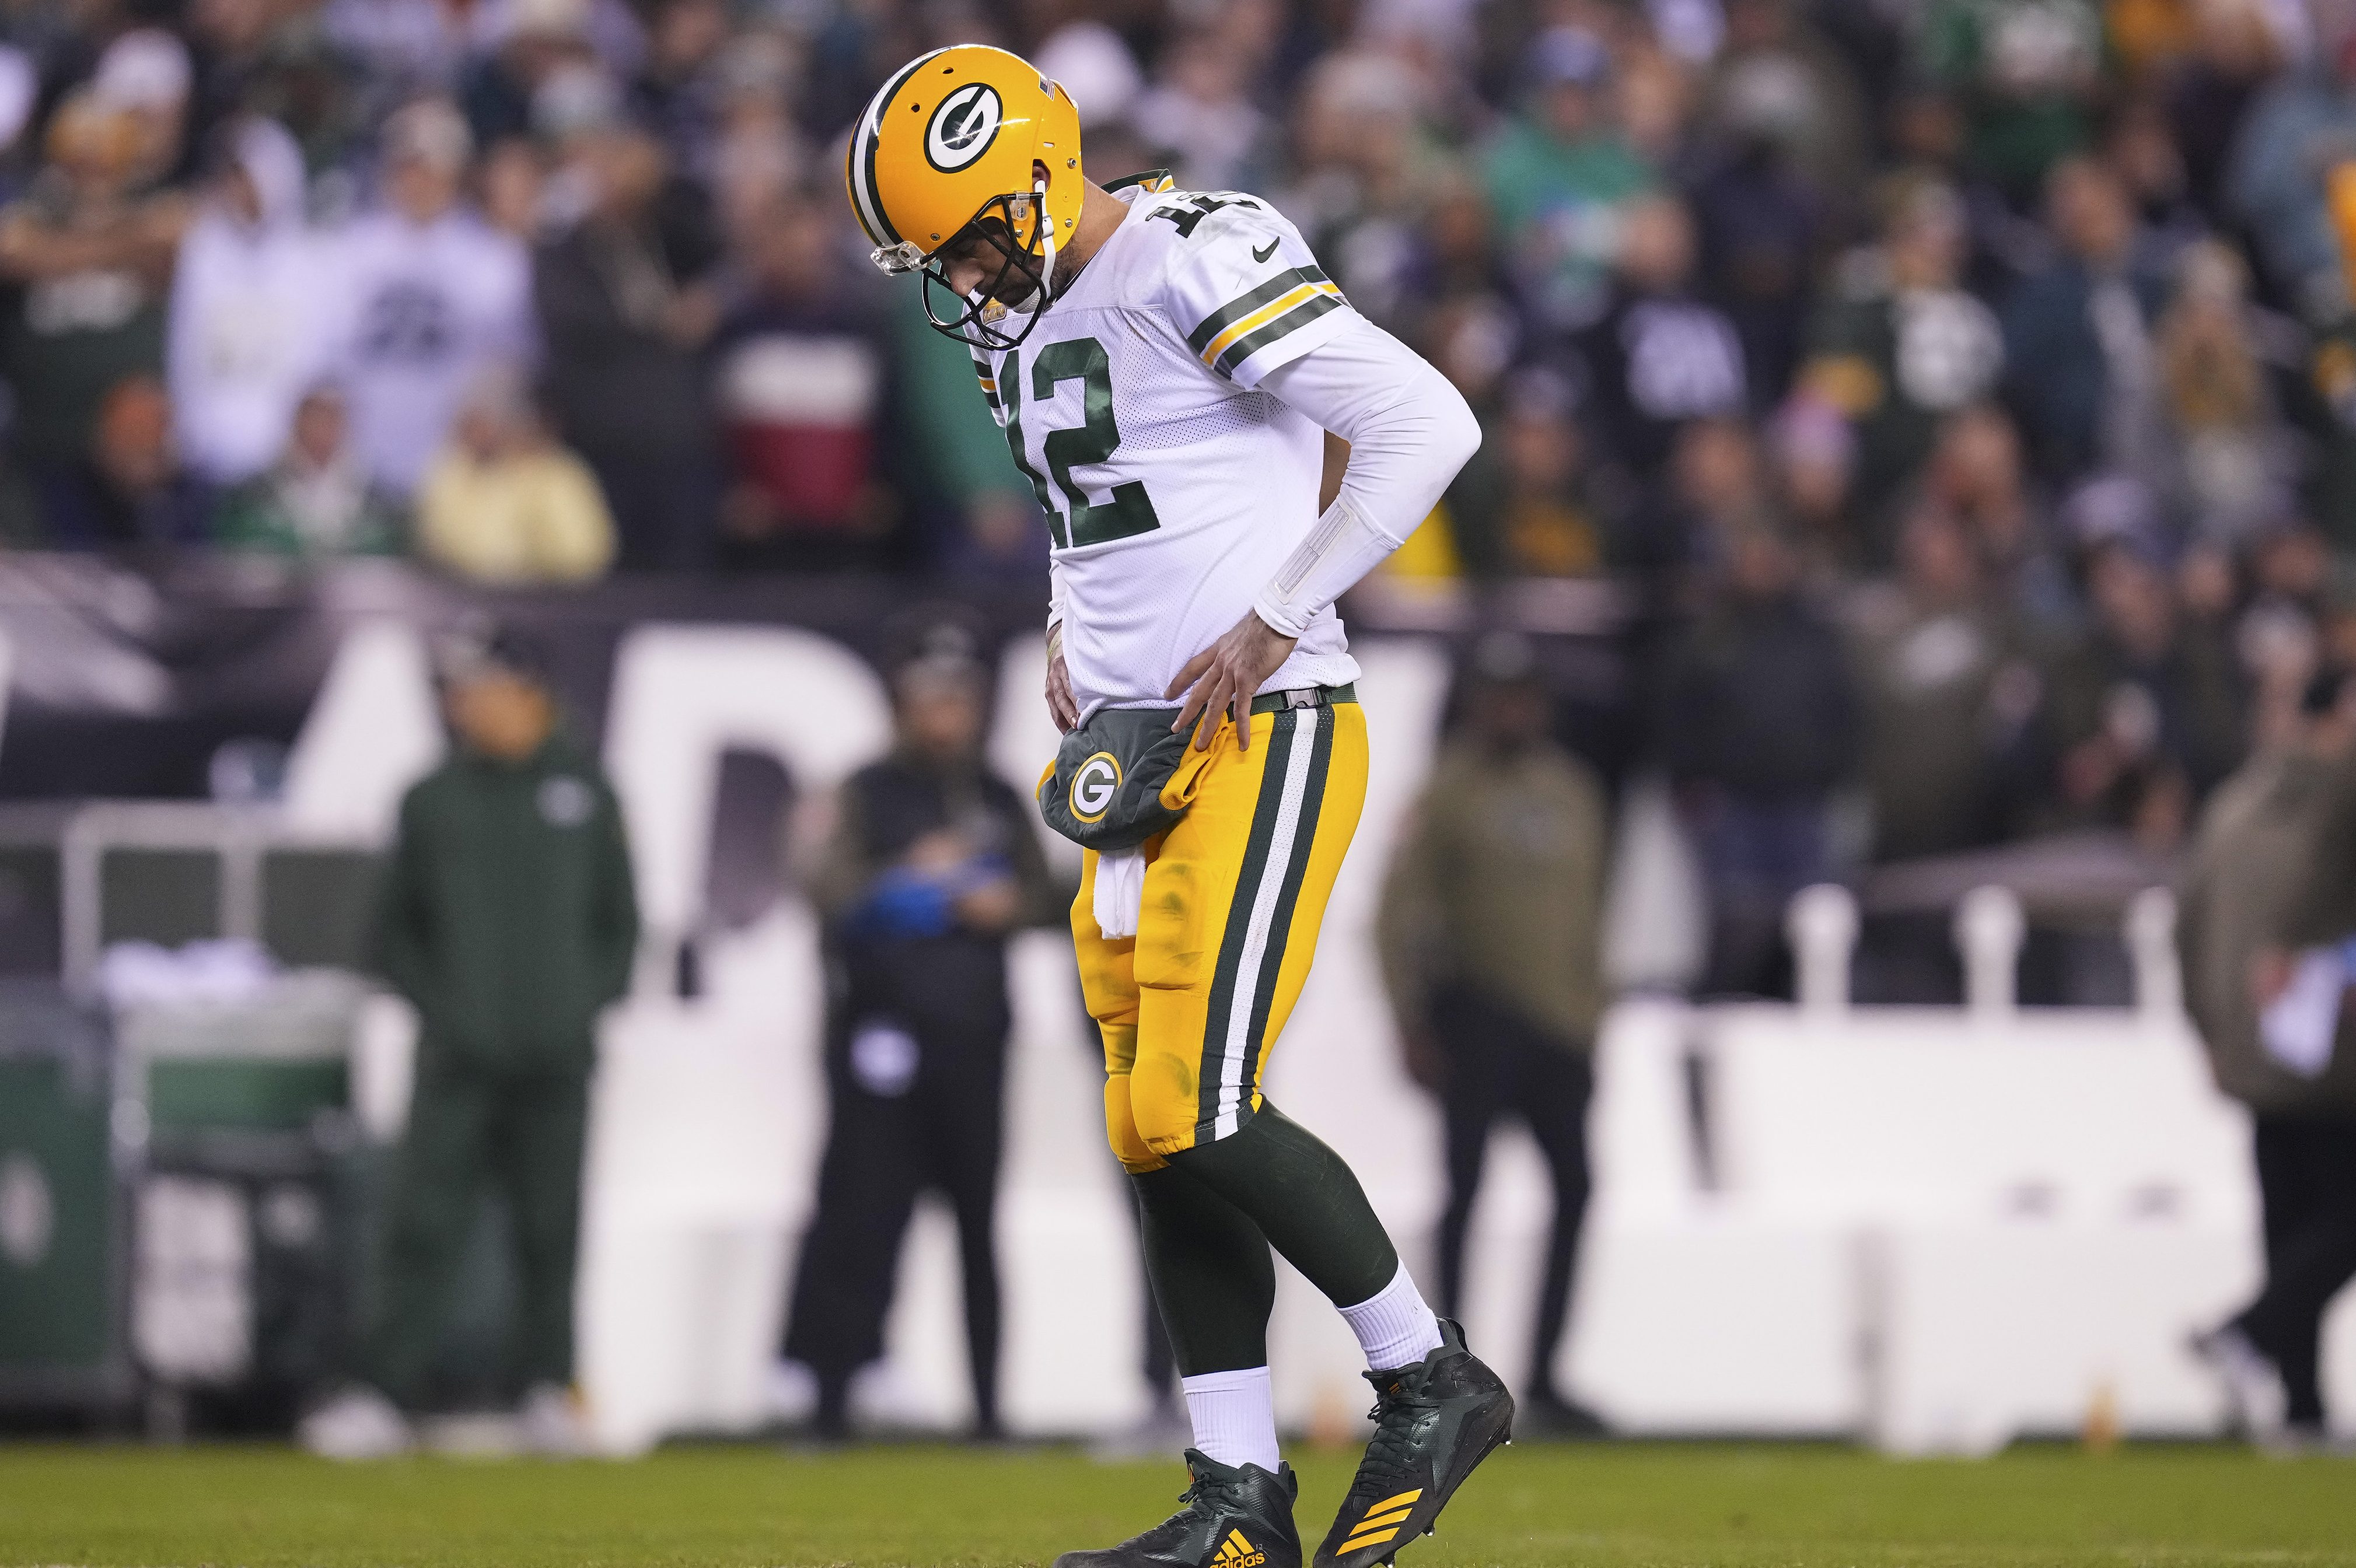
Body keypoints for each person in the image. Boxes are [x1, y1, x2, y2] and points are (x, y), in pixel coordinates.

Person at [845, 44, 1494, 1568]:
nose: (959, 276)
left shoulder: (1191, 249)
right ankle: (1234, 1494)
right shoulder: (1014, 329)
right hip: (1132, 755)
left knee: (1193, 1100)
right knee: (1146, 1129)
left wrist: (1275, 612)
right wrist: (1073, 641)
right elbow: (1100, 518)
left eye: (965, 238)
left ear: (1033, 171)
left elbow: (1426, 425)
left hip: (1269, 725)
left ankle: (1424, 1373)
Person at [298, 624, 639, 1460]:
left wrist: (573, 1009)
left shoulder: (587, 791)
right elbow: (394, 935)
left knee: (551, 1231)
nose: (463, 705)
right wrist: (451, 1012)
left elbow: (619, 925)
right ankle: (383, 1391)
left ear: (528, 691)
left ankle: (547, 1388)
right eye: (457, 690)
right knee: (422, 1228)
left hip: (557, 1060)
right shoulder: (432, 796)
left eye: (478, 687)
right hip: (455, 1060)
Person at [778, 631, 1057, 1438]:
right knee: (861, 1219)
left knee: (979, 1225)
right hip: (882, 1036)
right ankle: (830, 1405)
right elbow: (822, 888)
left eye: (960, 695)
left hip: (975, 1037)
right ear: (904, 701)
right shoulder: (863, 790)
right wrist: (909, 884)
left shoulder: (999, 793)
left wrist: (1002, 905)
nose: (949, 713)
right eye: (934, 695)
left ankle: (989, 1413)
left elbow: (1044, 897)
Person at [1375, 634, 1611, 1437]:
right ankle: (1451, 1373)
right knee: (1463, 1197)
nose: (1511, 710)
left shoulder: (1574, 791)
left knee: (1576, 1190)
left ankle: (1546, 1373)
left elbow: (1589, 919)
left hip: (1557, 1029)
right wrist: (1408, 1019)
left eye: (1523, 696)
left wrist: (1591, 1019)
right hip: (1476, 1016)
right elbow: (1396, 914)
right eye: (1497, 695)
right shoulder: (1446, 793)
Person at [2180, 667, 2356, 1448]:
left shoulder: (2231, 807)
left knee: (2286, 1229)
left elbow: (2186, 927)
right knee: (2336, 1225)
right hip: (2332, 1053)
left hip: (2249, 1054)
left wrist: (2208, 1032)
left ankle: (2300, 1410)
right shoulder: (2337, 805)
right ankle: (2250, 1332)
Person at [326, 99, 533, 495]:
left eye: (431, 169)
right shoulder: (348, 251)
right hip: (360, 468)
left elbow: (512, 366)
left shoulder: (495, 259)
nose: (418, 181)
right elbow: (327, 356)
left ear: (456, 174)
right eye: (408, 167)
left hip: (458, 471)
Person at [414, 366, 616, 583]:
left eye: (484, 420)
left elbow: (583, 554)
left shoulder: (557, 474)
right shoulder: (454, 468)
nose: (475, 432)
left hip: (551, 600)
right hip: (461, 594)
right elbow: (441, 540)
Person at [214, 383, 407, 558]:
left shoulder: (378, 498)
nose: (323, 429)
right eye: (316, 417)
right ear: (297, 423)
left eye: (332, 419)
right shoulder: (252, 492)